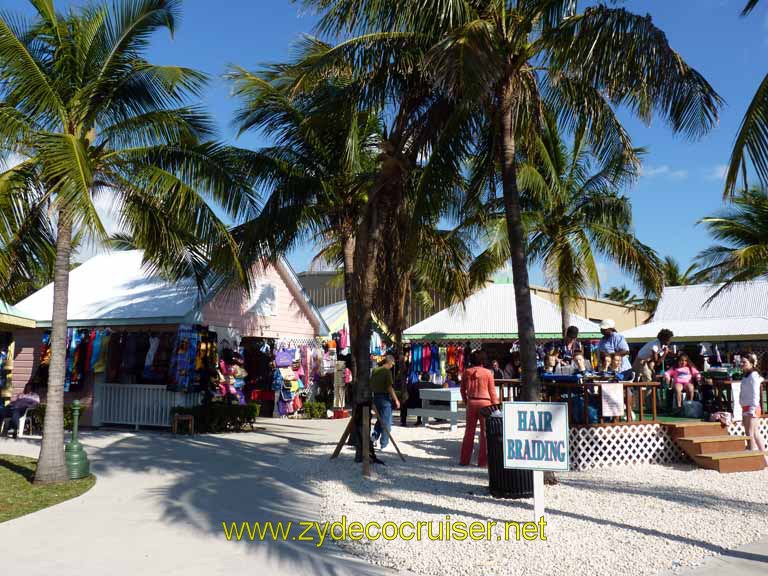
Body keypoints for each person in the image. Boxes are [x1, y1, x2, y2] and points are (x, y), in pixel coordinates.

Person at [460, 350, 499, 467]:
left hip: (471, 401)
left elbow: (462, 390)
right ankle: (483, 462)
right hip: (485, 403)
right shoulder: (488, 373)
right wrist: (496, 407)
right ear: (483, 360)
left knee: (469, 432)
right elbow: (493, 393)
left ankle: (464, 460)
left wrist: (467, 402)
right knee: (484, 433)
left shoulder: (466, 372)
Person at [739, 354, 768, 465]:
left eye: (744, 362)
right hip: (745, 406)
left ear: (751, 363)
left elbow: (755, 394)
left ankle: (753, 455)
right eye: (741, 362)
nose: (742, 364)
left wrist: (752, 408)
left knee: (750, 432)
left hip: (753, 407)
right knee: (753, 432)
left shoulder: (754, 376)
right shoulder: (745, 376)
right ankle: (764, 458)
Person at [370, 355, 399, 450]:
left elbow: (371, 384)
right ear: (390, 363)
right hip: (384, 398)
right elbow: (389, 387)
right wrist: (396, 399)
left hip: (375, 397)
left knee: (380, 419)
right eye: (393, 364)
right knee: (387, 422)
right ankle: (384, 444)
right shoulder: (387, 372)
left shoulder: (375, 370)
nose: (393, 366)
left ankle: (373, 438)